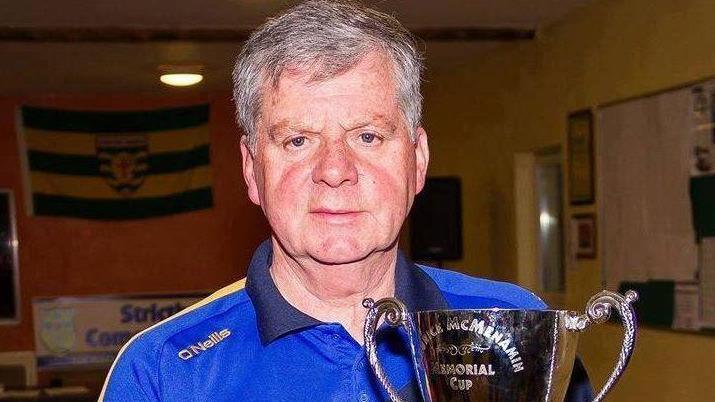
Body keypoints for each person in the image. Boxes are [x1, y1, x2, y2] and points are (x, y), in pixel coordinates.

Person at [100, 1, 593, 401]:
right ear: (252, 170)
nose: (335, 172)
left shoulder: (514, 323)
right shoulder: (164, 370)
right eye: (297, 141)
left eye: (368, 136)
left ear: (417, 159)